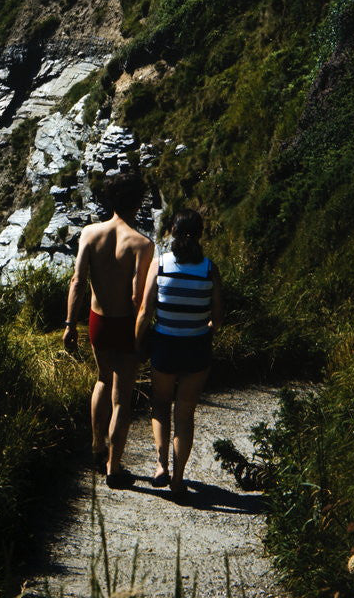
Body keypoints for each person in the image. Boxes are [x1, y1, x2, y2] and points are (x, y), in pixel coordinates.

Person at [63, 174, 154, 488]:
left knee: (101, 379)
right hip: (125, 324)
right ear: (137, 202)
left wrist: (69, 324)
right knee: (122, 398)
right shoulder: (142, 244)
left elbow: (77, 281)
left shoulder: (90, 233)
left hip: (97, 320)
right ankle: (114, 469)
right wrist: (142, 336)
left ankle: (96, 447)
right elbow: (137, 298)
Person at [135, 208, 224, 501]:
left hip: (165, 345)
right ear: (200, 234)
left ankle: (160, 465)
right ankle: (178, 479)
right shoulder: (210, 268)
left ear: (172, 231)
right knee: (185, 414)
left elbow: (146, 311)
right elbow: (218, 317)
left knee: (160, 405)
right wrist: (203, 327)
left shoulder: (161, 265)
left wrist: (138, 343)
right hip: (196, 348)